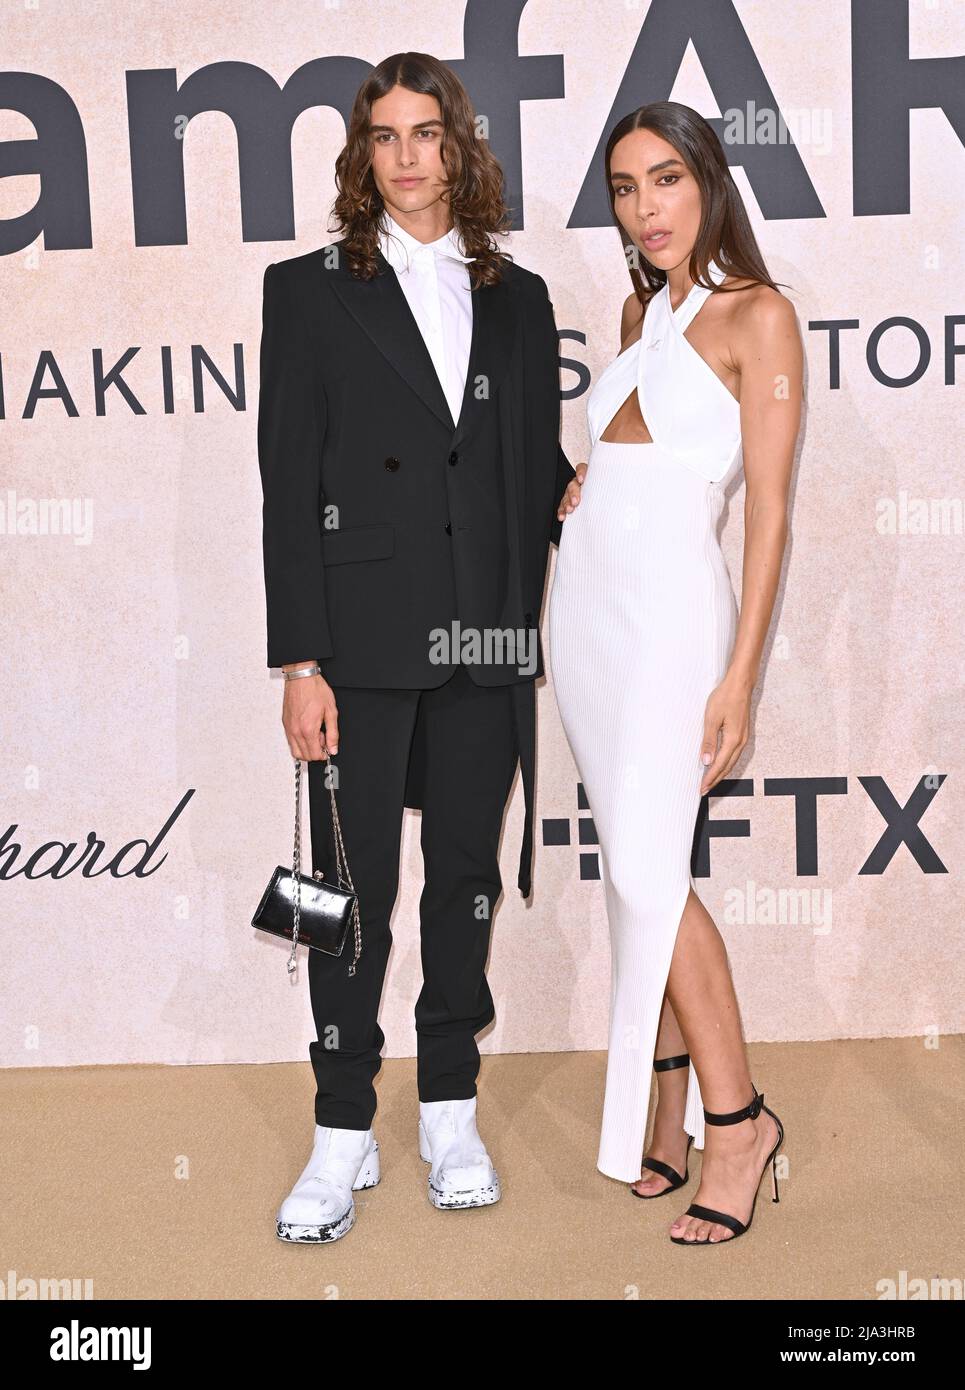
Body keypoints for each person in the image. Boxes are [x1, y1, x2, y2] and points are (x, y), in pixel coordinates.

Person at [256, 52, 574, 1243]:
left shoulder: (519, 294)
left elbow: (518, 463)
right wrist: (301, 660)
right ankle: (341, 1126)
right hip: (361, 646)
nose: (405, 157)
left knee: (464, 886)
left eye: (425, 133)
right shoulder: (306, 290)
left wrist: (581, 489)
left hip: (483, 639)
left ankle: (448, 1107)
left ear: (459, 146)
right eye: (383, 136)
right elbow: (288, 486)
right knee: (349, 898)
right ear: (361, 155)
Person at [549, 101, 802, 1245]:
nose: (642, 208)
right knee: (630, 868)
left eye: (663, 180)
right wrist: (584, 486)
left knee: (653, 873)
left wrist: (739, 674)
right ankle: (661, 1093)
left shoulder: (761, 315)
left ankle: (736, 1121)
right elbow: (627, 453)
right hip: (587, 620)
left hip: (670, 629)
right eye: (621, 189)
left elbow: (768, 515)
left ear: (705, 181)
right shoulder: (635, 310)